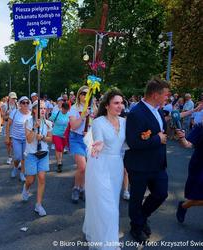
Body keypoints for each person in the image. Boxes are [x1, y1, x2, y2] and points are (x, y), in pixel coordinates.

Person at [124, 77, 169, 243]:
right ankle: (136, 227)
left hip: (158, 164)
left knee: (161, 193)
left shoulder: (159, 110)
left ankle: (141, 218)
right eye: (165, 95)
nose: (167, 98)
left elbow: (161, 132)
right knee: (136, 198)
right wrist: (158, 139)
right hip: (139, 165)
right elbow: (133, 142)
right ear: (155, 95)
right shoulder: (136, 113)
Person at [83, 89, 126, 250]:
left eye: (121, 103)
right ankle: (108, 245)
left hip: (116, 167)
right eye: (116, 103)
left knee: (112, 204)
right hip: (99, 165)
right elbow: (98, 139)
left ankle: (99, 232)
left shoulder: (124, 122)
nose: (120, 106)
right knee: (107, 206)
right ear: (107, 105)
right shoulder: (98, 122)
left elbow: (129, 143)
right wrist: (99, 144)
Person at [22, 100, 52, 216]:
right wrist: (35, 128)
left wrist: (43, 137)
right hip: (31, 154)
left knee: (42, 178)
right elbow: (29, 140)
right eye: (40, 108)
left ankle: (38, 205)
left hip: (43, 153)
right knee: (31, 179)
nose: (43, 110)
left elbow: (51, 139)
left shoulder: (48, 123)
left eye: (44, 108)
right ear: (34, 110)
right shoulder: (28, 122)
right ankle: (26, 188)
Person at [175, 123, 203, 223]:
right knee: (199, 197)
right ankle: (184, 206)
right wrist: (182, 138)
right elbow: (187, 144)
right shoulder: (201, 128)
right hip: (200, 167)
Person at [69, 86, 91, 203]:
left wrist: (90, 131)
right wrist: (83, 116)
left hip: (89, 140)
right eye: (83, 93)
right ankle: (76, 188)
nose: (85, 95)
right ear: (79, 95)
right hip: (76, 139)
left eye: (88, 93)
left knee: (86, 169)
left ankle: (82, 188)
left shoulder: (93, 108)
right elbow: (73, 126)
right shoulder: (74, 108)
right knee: (82, 167)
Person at [6, 96, 31, 182]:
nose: (25, 104)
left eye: (27, 103)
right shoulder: (15, 112)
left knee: (24, 157)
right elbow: (8, 125)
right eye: (23, 103)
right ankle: (15, 167)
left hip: (26, 139)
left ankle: (22, 173)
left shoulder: (30, 114)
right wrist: (7, 137)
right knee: (17, 157)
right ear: (20, 104)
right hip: (16, 138)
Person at [49, 102, 70, 172]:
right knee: (58, 148)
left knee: (61, 149)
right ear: (62, 108)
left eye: (67, 110)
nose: (65, 111)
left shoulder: (69, 115)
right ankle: (59, 163)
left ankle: (60, 160)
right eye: (64, 109)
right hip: (56, 133)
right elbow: (49, 120)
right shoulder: (56, 113)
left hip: (64, 135)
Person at [2, 92, 18, 164]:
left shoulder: (18, 105)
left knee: (15, 143)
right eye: (12, 98)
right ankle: (9, 156)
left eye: (15, 98)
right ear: (9, 98)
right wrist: (9, 116)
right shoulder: (5, 106)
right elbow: (3, 117)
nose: (13, 100)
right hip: (7, 126)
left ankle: (16, 157)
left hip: (15, 127)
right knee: (8, 143)